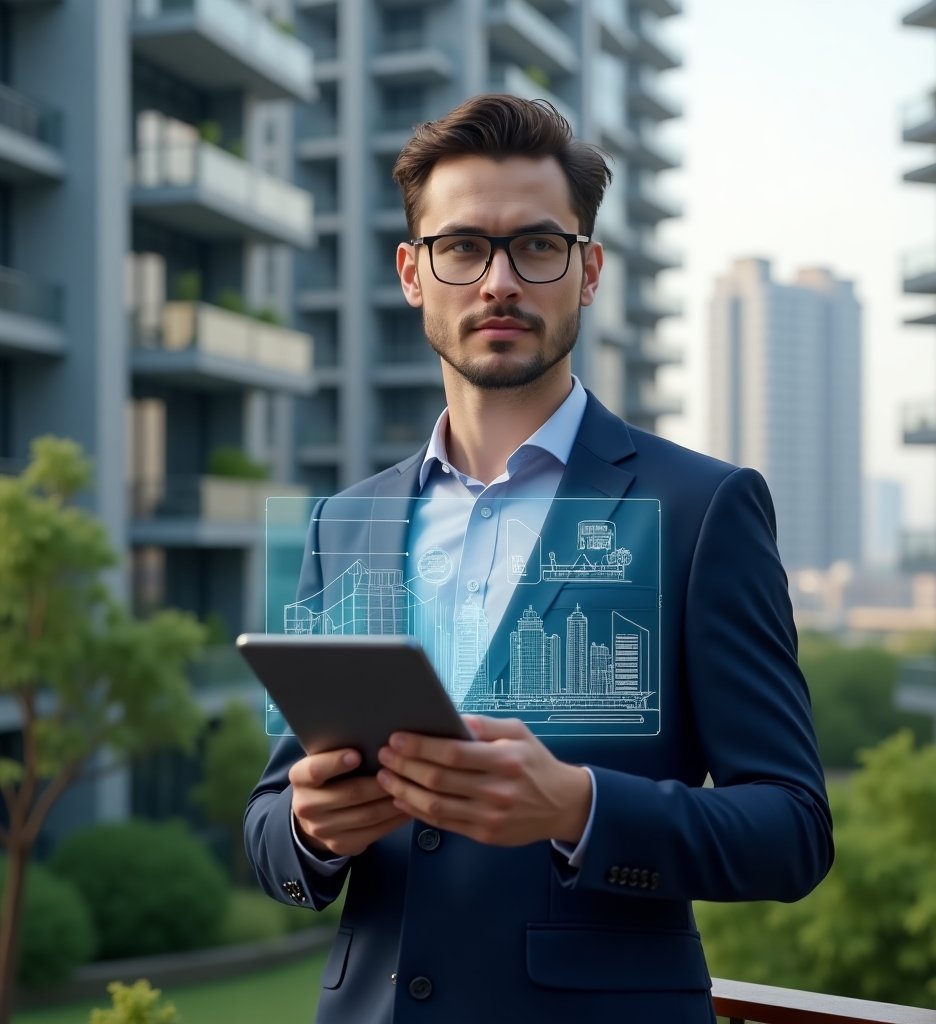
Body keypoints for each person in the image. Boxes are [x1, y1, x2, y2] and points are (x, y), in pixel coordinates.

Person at [244, 94, 833, 1024]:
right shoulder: (342, 525)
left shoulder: (702, 508)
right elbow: (271, 821)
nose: (499, 282)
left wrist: (579, 806)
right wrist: (311, 831)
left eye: (538, 246)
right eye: (463, 247)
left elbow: (793, 830)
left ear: (588, 270)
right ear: (412, 272)